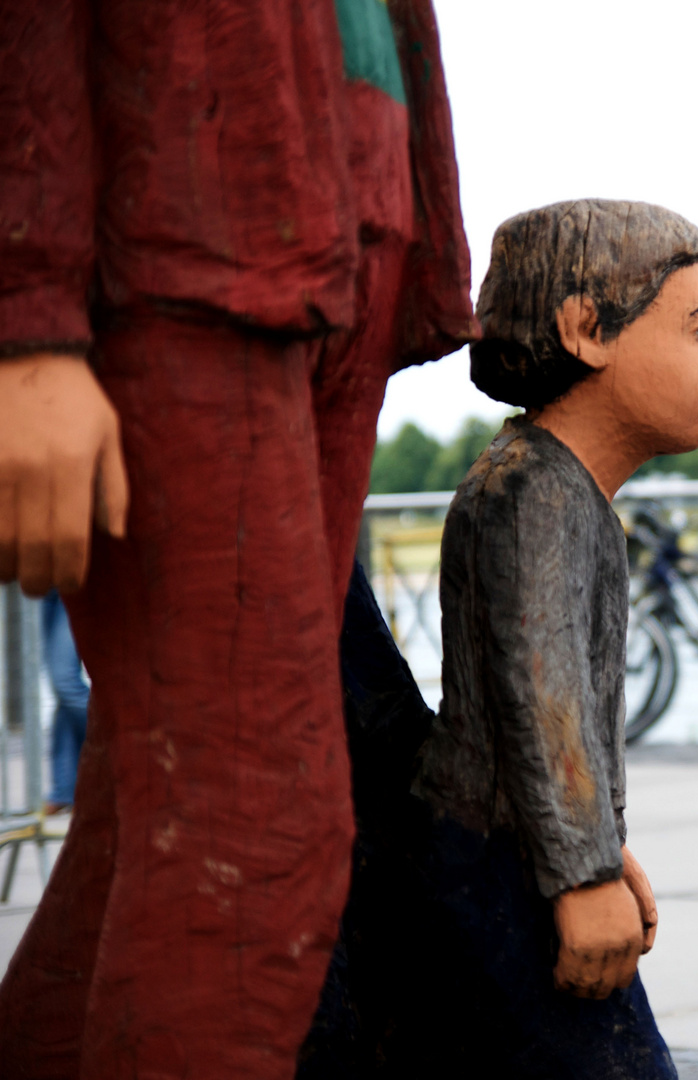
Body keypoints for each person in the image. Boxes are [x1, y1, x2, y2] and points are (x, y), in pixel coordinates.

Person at [0, 3, 477, 1075]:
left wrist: (424, 242)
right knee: (258, 823)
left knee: (158, 808)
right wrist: (24, 309)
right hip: (179, 220)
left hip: (340, 225)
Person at [301, 200, 698, 1077]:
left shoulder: (555, 485)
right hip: (494, 859)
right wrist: (582, 874)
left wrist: (599, 845)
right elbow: (540, 693)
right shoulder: (538, 497)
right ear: (586, 329)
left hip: (512, 843)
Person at [40, 590, 89, 815]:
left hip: (79, 580)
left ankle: (121, 735)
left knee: (65, 682)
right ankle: (65, 789)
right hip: (48, 585)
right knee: (63, 696)